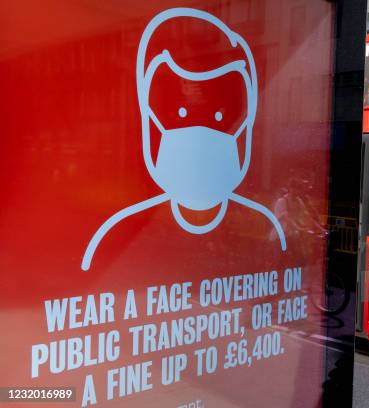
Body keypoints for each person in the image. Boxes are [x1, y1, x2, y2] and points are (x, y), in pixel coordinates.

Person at [81, 9, 287, 271]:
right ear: (148, 122)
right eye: (180, 116)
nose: (200, 136)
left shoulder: (269, 232)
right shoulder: (114, 239)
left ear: (247, 125)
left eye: (219, 117)